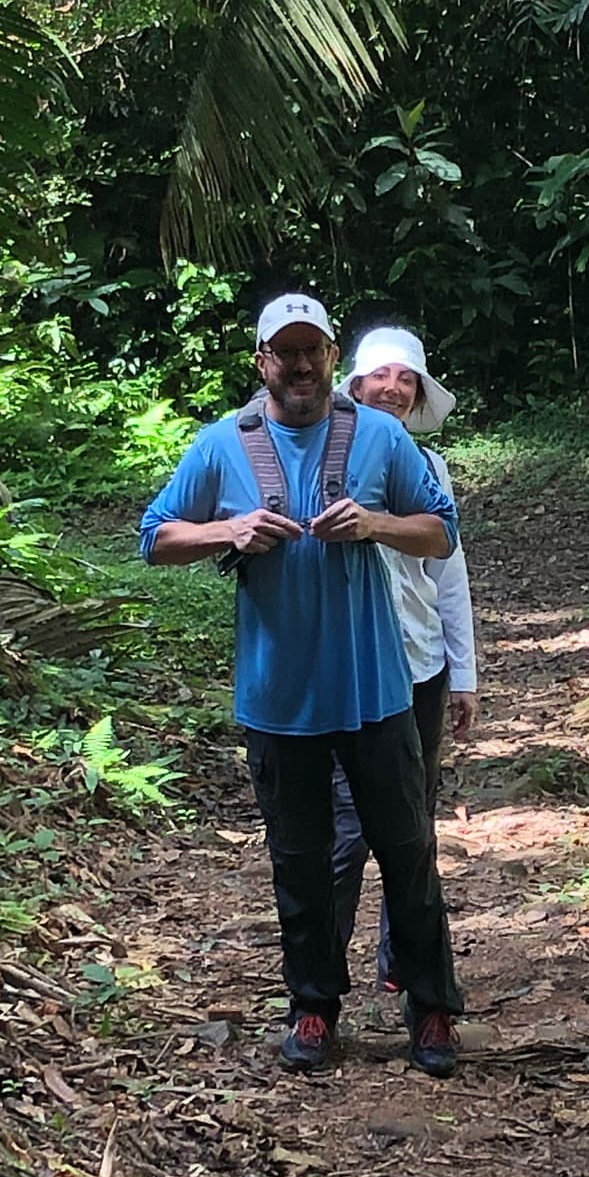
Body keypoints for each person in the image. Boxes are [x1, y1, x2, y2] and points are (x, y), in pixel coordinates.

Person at [138, 292, 464, 1077]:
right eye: (285, 352)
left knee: (408, 851)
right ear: (264, 364)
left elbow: (440, 528)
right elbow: (155, 536)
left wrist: (376, 524)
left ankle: (432, 1009)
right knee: (300, 861)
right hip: (279, 698)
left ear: (328, 357)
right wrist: (230, 530)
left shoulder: (380, 436)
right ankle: (313, 1008)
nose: (301, 364)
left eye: (313, 349)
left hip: (376, 689)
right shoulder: (224, 445)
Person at [331, 327, 477, 987]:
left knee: (413, 820)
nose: (392, 388)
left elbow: (449, 574)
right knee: (343, 830)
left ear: (416, 396)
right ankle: (322, 973)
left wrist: (464, 673)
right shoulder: (320, 457)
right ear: (355, 385)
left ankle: (405, 962)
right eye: (380, 376)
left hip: (420, 664)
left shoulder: (430, 469)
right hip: (344, 668)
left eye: (406, 379)